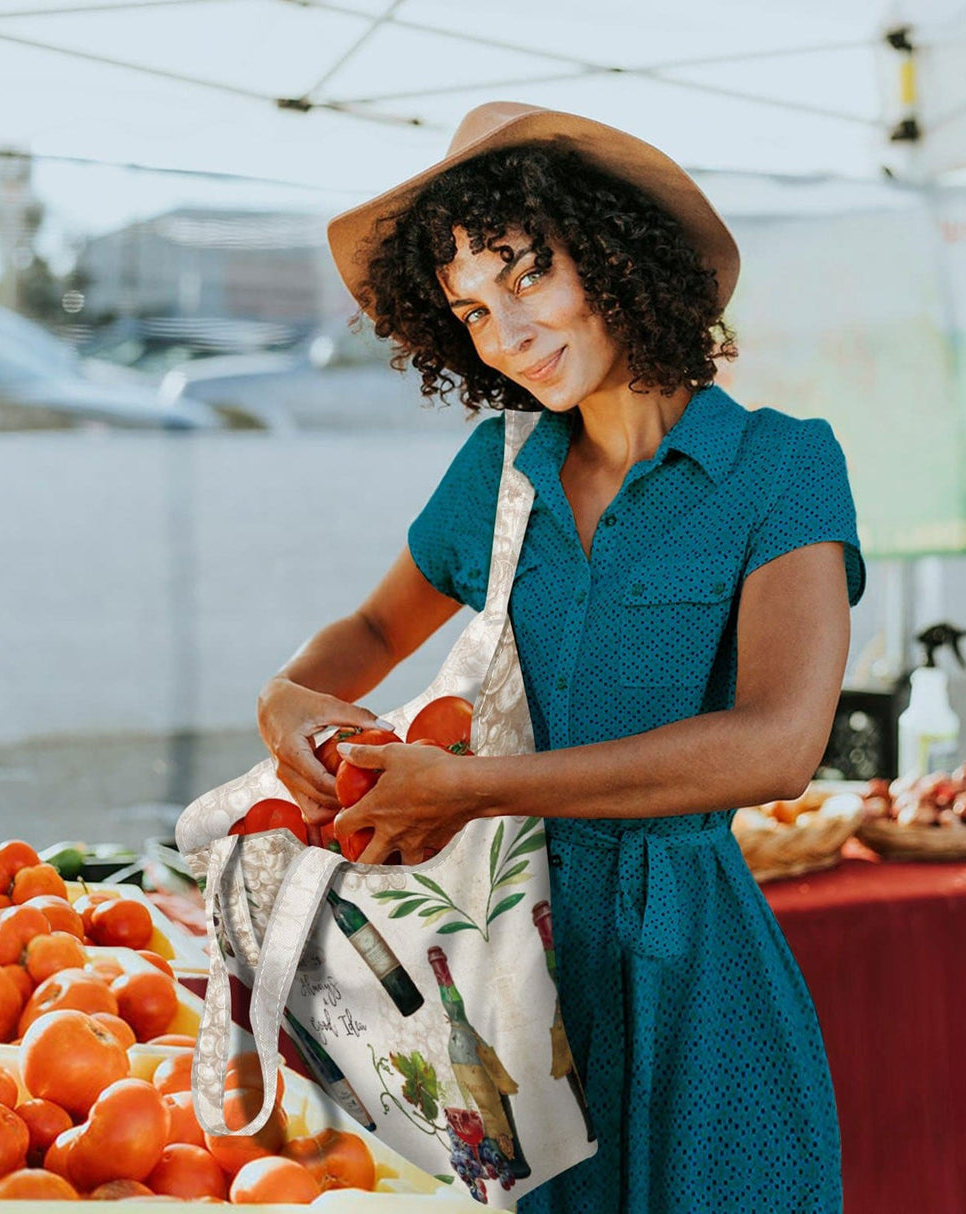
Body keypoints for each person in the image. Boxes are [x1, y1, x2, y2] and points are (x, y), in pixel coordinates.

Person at [256, 101, 865, 1213]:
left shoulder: (777, 467)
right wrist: (290, 697)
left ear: (614, 254)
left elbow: (778, 745)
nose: (502, 332)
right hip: (503, 967)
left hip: (694, 972)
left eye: (525, 276)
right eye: (471, 309)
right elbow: (368, 633)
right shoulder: (498, 472)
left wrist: (474, 788)